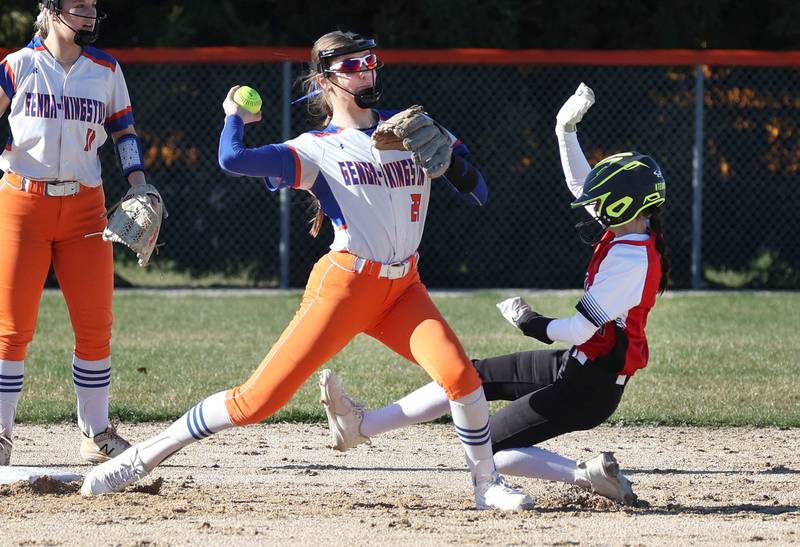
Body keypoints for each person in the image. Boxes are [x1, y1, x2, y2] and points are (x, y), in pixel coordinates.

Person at [81, 30, 532, 511]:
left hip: (403, 288)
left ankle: (486, 486)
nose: (368, 71)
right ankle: (141, 458)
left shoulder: (412, 128)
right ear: (325, 81)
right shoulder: (317, 148)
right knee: (257, 402)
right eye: (354, 66)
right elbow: (232, 160)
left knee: (460, 377)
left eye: (372, 62)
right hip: (345, 286)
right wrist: (234, 115)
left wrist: (456, 168)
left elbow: (479, 191)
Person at [318, 83, 670, 505]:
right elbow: (583, 186)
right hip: (579, 368)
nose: (591, 205)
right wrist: (565, 130)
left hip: (590, 387)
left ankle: (586, 476)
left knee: (490, 450)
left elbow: (579, 329)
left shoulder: (630, 262)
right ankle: (360, 426)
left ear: (623, 207)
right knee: (468, 378)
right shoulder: (632, 230)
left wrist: (531, 322)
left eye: (603, 201)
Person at [0, 0, 160, 465]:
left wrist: (138, 182)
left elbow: (124, 131)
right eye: (78, 6)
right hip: (21, 204)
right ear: (49, 10)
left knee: (95, 325)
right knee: (12, 328)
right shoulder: (18, 66)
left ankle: (95, 432)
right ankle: (1, 434)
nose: (89, 15)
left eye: (92, 6)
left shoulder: (106, 69)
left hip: (85, 208)